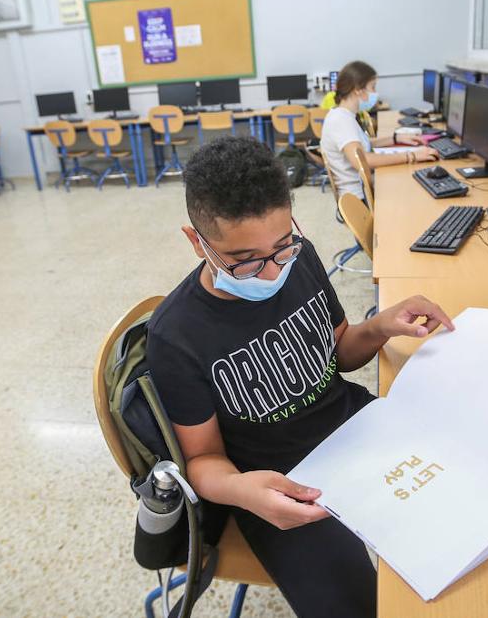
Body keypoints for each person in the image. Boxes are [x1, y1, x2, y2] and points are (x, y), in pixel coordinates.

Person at [146, 136, 454, 618]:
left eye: (282, 245)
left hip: (358, 429)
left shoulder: (300, 258)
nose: (271, 273)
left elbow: (340, 354)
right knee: (356, 608)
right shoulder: (176, 336)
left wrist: (379, 325)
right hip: (286, 483)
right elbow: (204, 459)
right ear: (196, 242)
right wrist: (244, 491)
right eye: (245, 260)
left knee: (463, 516)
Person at [320, 61, 438, 200]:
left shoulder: (344, 115)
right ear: (358, 89)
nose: (375, 93)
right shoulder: (341, 121)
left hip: (364, 190)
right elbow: (364, 160)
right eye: (373, 87)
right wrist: (411, 156)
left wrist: (396, 138)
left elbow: (362, 144)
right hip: (360, 199)